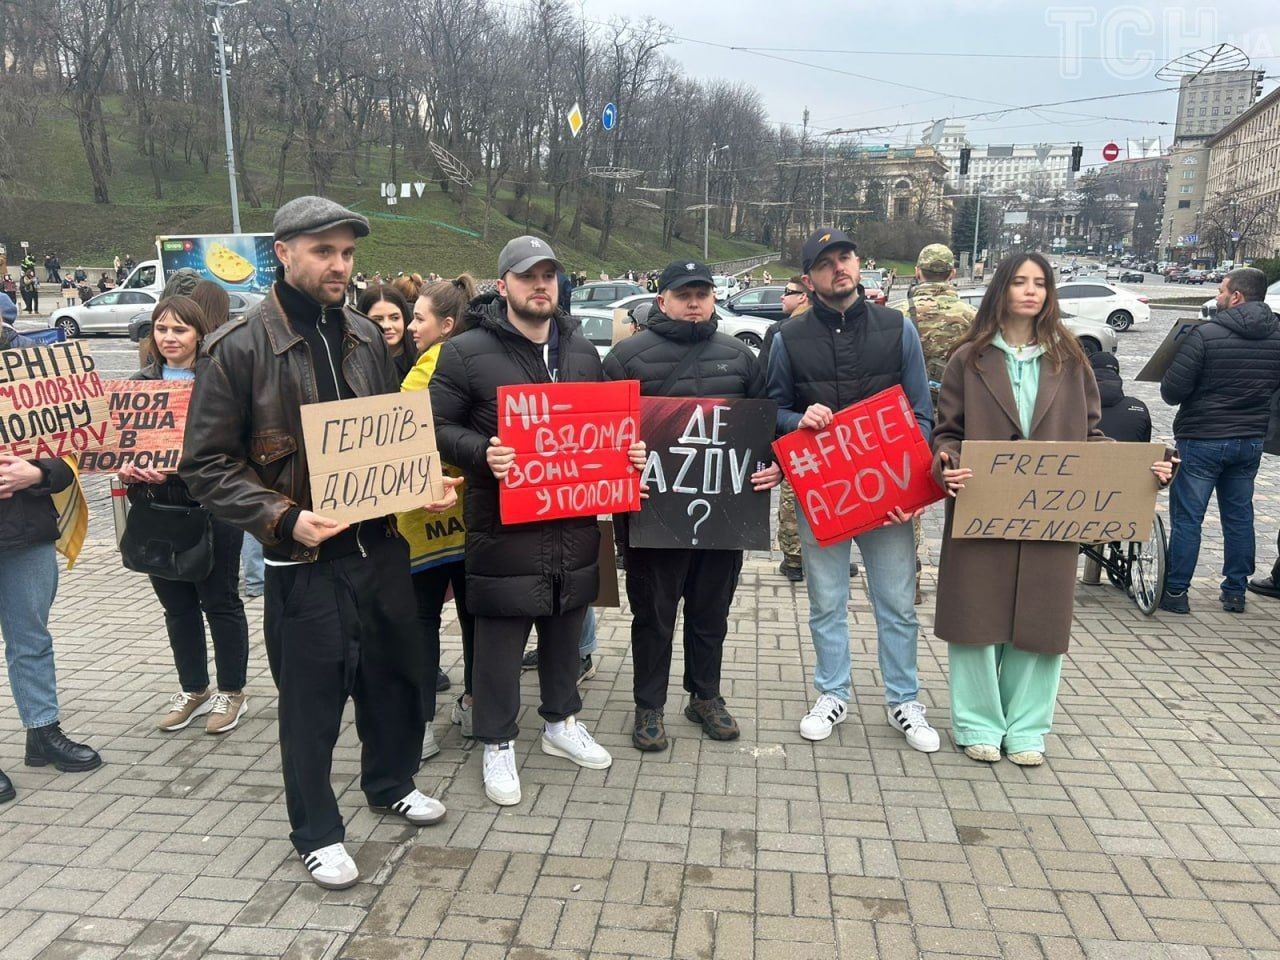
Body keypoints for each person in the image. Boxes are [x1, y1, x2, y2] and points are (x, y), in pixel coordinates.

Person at [180, 196, 458, 890]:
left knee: (395, 680)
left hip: (382, 548)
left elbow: (389, 432)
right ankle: (316, 831)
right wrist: (281, 516)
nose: (340, 265)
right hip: (304, 559)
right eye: (324, 251)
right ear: (283, 252)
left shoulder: (367, 336)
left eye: (348, 253)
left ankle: (391, 782)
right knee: (311, 705)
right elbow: (207, 466)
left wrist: (418, 480)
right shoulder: (239, 347)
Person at [932, 253, 1173, 766]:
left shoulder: (1069, 359)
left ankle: (1026, 728)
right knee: (976, 619)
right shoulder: (968, 358)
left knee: (1038, 623)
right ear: (1001, 289)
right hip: (983, 508)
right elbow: (947, 433)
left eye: (1039, 283)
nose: (1030, 291)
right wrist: (946, 463)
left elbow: (1090, 439)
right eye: (1019, 282)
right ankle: (976, 722)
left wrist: (1139, 473)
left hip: (1050, 515)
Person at [430, 236, 646, 807]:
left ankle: (560, 722)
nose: (540, 285)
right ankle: (496, 740)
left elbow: (605, 426)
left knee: (564, 624)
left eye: (549, 275)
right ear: (503, 286)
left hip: (572, 520)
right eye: (528, 276)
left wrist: (628, 454)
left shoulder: (580, 350)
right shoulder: (466, 351)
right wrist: (483, 452)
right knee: (501, 636)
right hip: (504, 522)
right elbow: (434, 426)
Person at [766, 229, 938, 751]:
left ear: (859, 264)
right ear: (808, 278)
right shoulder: (787, 339)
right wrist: (799, 417)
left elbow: (922, 412)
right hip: (826, 496)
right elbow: (770, 410)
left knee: (896, 603)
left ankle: (904, 699)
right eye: (825, 262)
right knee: (826, 602)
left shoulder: (896, 328)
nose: (838, 268)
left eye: (845, 257)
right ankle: (832, 692)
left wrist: (905, 485)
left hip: (888, 499)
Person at [604, 260, 781, 750]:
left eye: (702, 293)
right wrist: (621, 473)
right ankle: (648, 706)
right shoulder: (625, 359)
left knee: (711, 611)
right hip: (654, 517)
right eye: (685, 294)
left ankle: (705, 696)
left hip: (724, 518)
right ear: (663, 300)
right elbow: (603, 438)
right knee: (654, 615)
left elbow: (764, 431)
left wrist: (774, 467)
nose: (696, 302)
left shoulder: (741, 358)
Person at [119, 296, 252, 735]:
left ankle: (232, 692)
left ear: (199, 333)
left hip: (214, 505)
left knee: (221, 601)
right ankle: (193, 688)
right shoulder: (140, 384)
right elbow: (120, 445)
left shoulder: (221, 380)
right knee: (176, 606)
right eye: (162, 329)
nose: (169, 338)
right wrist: (128, 466)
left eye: (179, 329)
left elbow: (240, 444)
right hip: (158, 507)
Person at [0, 304, 103, 804]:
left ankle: (43, 731)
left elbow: (72, 450)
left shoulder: (31, 364)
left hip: (25, 534)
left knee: (32, 639)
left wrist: (36, 474)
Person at [1160, 267, 1280, 615]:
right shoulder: (1277, 336)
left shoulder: (1206, 335)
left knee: (1188, 518)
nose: (1218, 293)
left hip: (1203, 438)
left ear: (1237, 296)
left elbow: (1172, 392)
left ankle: (1176, 593)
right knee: (1240, 517)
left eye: (1223, 289)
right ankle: (1235, 592)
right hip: (1250, 440)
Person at [401, 274, 478, 750]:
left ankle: (421, 722)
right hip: (473, 518)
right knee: (477, 618)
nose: (411, 327)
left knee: (421, 619)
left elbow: (401, 439)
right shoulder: (479, 364)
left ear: (446, 325)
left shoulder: (424, 371)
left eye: (417, 318)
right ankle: (474, 705)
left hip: (421, 519)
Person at [888, 243, 976, 605]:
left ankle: (910, 578)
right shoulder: (973, 316)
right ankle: (968, 580)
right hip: (960, 418)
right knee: (967, 493)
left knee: (911, 498)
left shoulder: (898, 314)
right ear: (952, 274)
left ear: (918, 272)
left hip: (910, 416)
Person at [1081, 350, 1153, 586]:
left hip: (1077, 497)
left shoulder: (1074, 409)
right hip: (1124, 499)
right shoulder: (1138, 408)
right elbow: (1145, 451)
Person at [770, 276, 811, 582]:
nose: (783, 297)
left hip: (809, 429)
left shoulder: (788, 331)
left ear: (804, 296)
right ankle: (795, 558)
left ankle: (798, 557)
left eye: (789, 293)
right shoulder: (781, 332)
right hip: (795, 426)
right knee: (793, 496)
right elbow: (770, 390)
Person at [357, 284, 417, 381]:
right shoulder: (354, 364)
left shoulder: (423, 358)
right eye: (377, 320)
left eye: (394, 318)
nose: (386, 326)